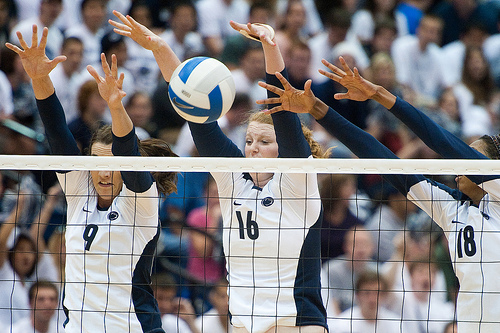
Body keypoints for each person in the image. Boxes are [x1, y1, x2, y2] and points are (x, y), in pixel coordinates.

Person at [108, 12, 329, 332]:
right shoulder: (232, 178)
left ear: (283, 149)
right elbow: (195, 109)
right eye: (249, 140)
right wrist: (158, 47)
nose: (253, 148)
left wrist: (270, 47)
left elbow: (285, 113)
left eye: (264, 141)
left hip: (295, 320)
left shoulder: (298, 182)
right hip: (241, 321)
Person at [257, 55, 500, 332]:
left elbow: (441, 140)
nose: (460, 165)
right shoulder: (450, 208)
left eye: (471, 158)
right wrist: (318, 109)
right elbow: (378, 155)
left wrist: (382, 95)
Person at [6, 25, 178, 332]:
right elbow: (58, 134)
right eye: (96, 162)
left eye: (112, 164)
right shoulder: (79, 192)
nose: (102, 172)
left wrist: (115, 106)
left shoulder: (140, 202)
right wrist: (40, 79)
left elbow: (127, 152)